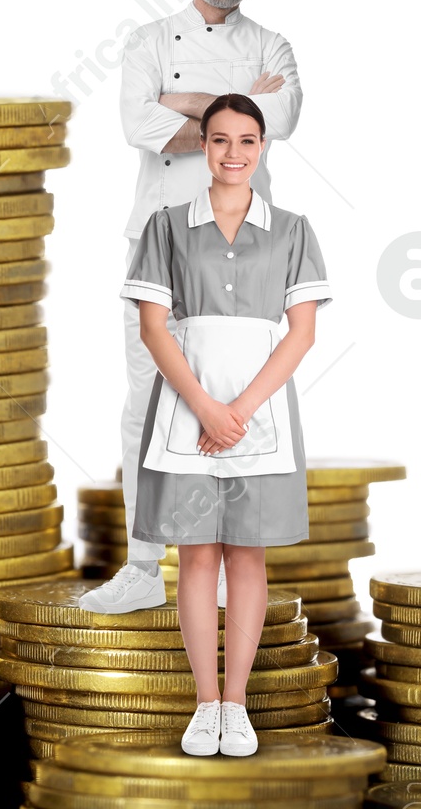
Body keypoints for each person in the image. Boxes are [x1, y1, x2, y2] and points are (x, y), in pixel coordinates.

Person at [84, 0, 301, 614]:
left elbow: (282, 116)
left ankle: (238, 571)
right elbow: (137, 126)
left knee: (243, 402)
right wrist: (237, 110)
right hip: (159, 240)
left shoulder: (274, 46)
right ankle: (144, 568)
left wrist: (186, 108)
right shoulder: (149, 40)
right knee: (147, 401)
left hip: (246, 243)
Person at [119, 94, 327, 757]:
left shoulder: (293, 229)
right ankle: (203, 703)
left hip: (261, 410)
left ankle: (237, 704)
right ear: (201, 146)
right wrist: (207, 408)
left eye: (246, 141)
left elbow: (300, 335)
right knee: (196, 554)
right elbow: (154, 327)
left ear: (263, 148)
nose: (233, 154)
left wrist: (239, 410)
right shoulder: (166, 226)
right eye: (219, 141)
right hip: (185, 405)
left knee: (247, 552)